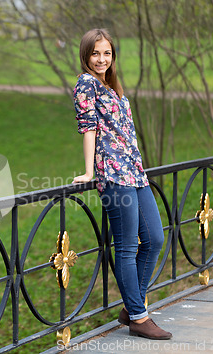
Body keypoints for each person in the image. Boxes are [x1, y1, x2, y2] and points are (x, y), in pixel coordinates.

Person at [72, 28, 172, 340]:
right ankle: (140, 317)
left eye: (107, 53)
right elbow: (89, 128)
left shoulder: (112, 85)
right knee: (127, 247)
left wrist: (139, 166)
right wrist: (89, 172)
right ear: (86, 55)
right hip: (112, 173)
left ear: (113, 56)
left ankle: (131, 307)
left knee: (155, 238)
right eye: (95, 53)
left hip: (135, 172)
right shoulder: (86, 83)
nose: (101, 59)